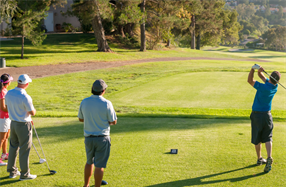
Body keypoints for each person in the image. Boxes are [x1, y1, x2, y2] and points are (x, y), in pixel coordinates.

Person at [78, 79, 117, 187]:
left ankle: (86, 185)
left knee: (89, 162)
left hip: (88, 138)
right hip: (102, 138)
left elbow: (81, 119)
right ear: (103, 90)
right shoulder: (107, 103)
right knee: (99, 165)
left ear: (92, 89)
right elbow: (113, 121)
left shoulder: (84, 101)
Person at [247, 64, 280, 173]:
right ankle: (269, 157)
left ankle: (259, 158)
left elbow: (250, 80)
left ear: (270, 77)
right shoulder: (274, 87)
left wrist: (252, 69)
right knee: (268, 137)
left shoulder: (263, 87)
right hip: (267, 115)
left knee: (257, 137)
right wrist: (260, 71)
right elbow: (262, 77)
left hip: (257, 115)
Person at [5, 74, 37, 180]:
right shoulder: (25, 96)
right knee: (24, 149)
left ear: (18, 82)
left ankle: (12, 172)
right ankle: (24, 174)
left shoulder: (9, 93)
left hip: (13, 123)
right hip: (23, 125)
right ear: (26, 84)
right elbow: (32, 112)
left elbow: (8, 106)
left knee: (13, 147)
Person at [0, 74, 13, 166]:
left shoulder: (5, 90)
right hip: (3, 118)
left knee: (6, 136)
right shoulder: (2, 92)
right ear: (8, 82)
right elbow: (3, 108)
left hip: (7, 117)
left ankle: (4, 154)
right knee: (1, 139)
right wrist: (13, 108)